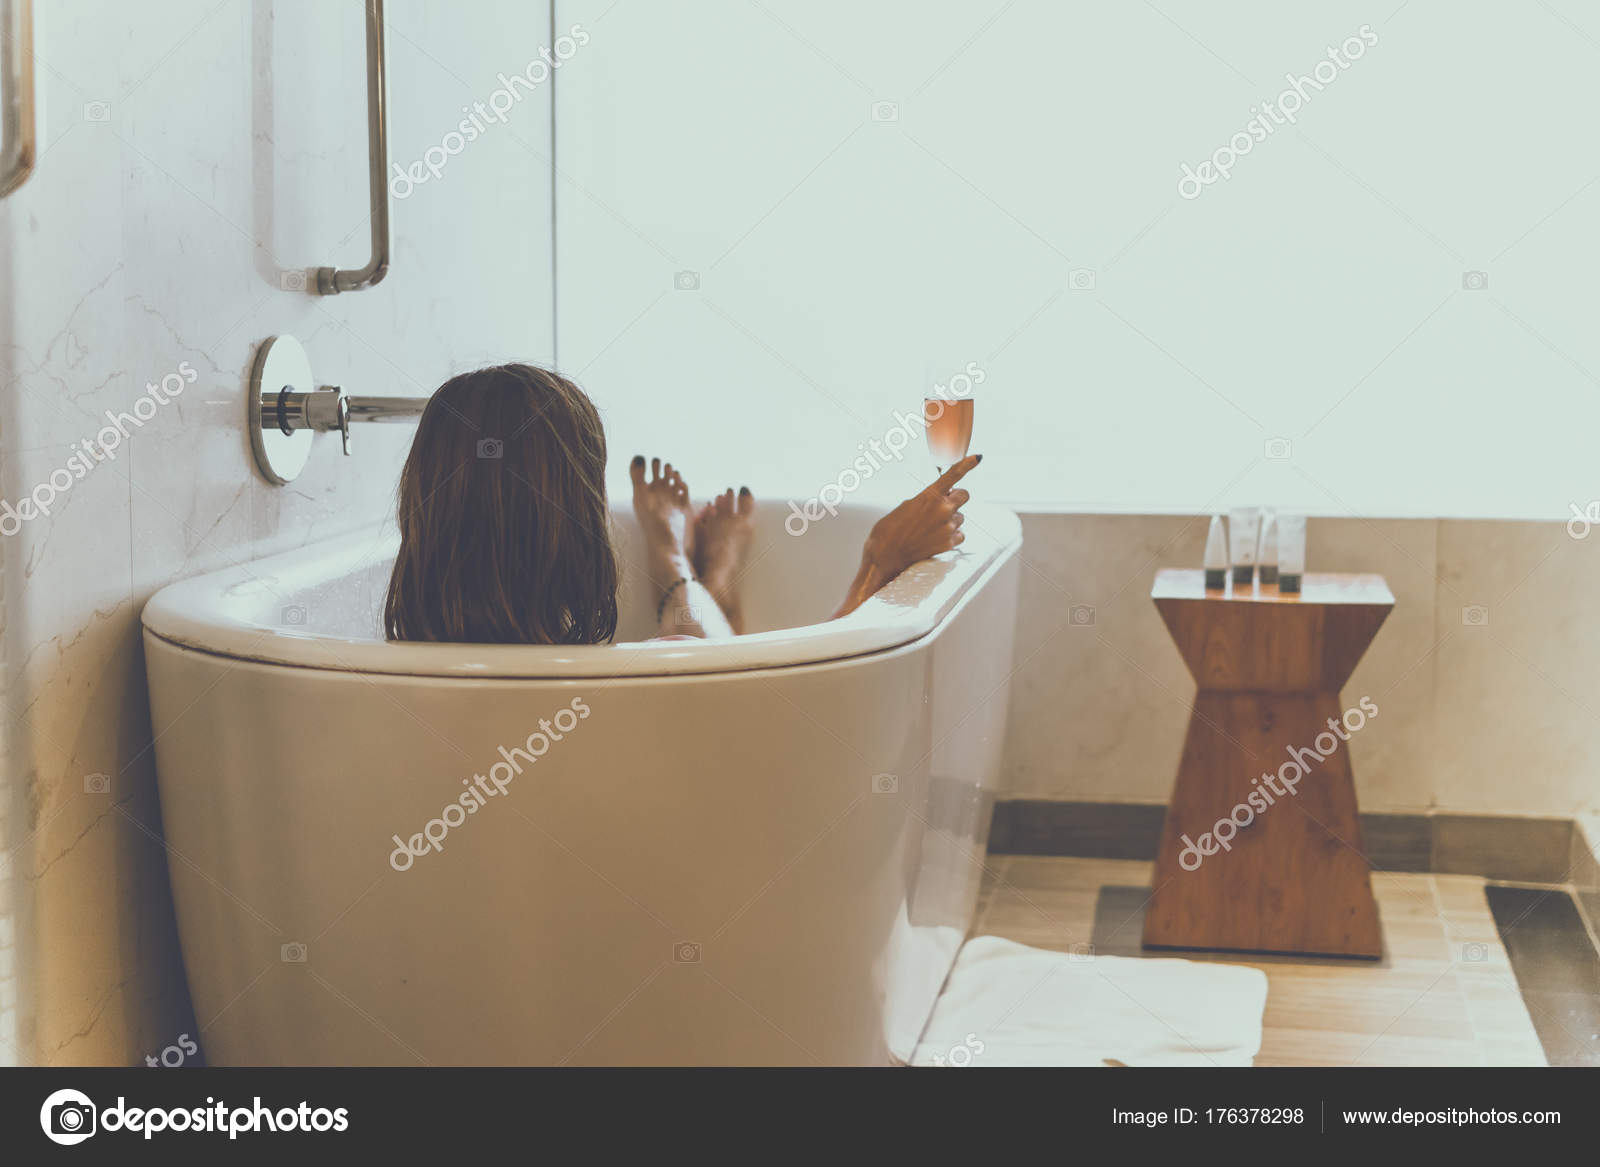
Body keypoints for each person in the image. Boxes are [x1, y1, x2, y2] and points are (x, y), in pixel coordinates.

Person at [384, 363, 979, 644]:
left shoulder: (382, 670)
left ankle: (700, 579)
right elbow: (806, 700)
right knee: (696, 644)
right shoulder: (630, 678)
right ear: (572, 521)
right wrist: (881, 559)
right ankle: (682, 571)